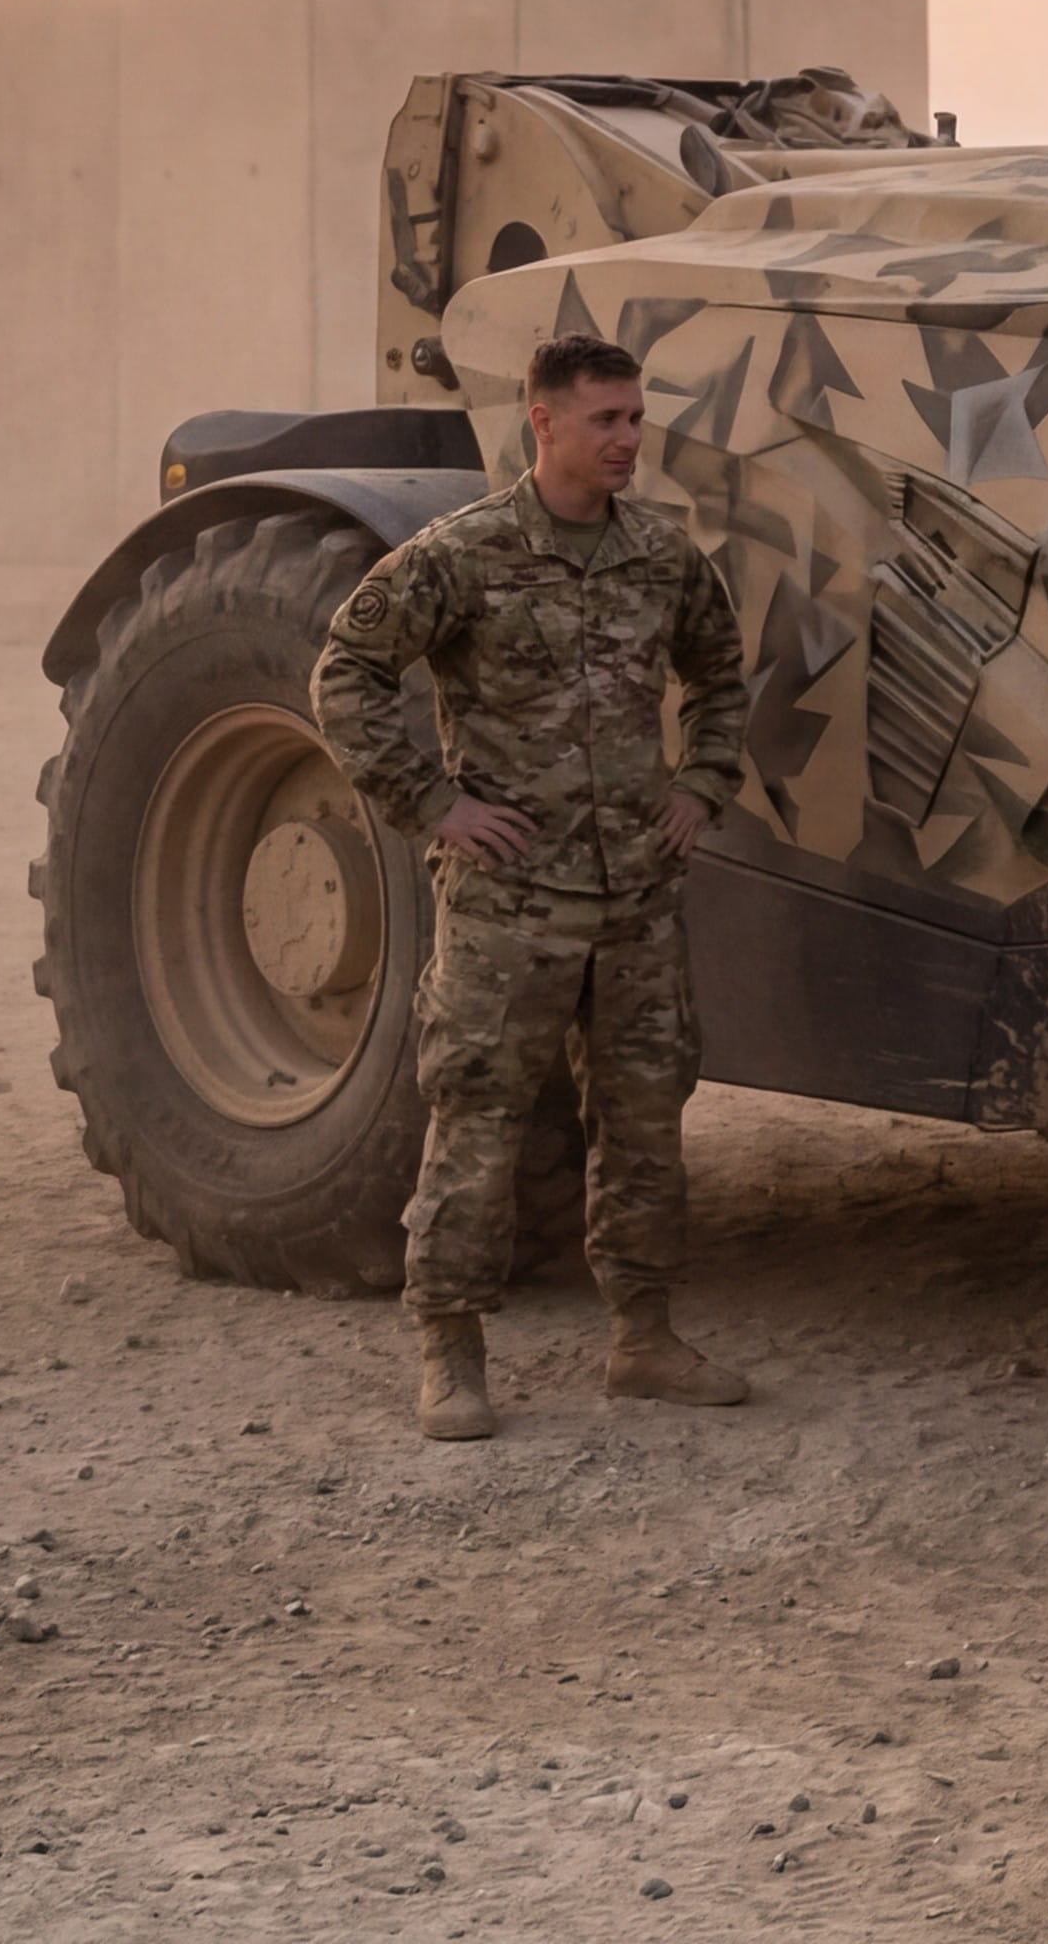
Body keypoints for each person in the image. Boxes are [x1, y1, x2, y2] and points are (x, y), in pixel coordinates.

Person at [312, 331, 756, 1443]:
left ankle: (643, 1338)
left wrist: (701, 784)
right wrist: (432, 803)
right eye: (604, 419)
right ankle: (450, 1348)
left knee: (647, 1119)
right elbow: (348, 672)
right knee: (478, 1117)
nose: (627, 440)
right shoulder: (461, 555)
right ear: (542, 422)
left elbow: (719, 675)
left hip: (637, 901)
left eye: (635, 418)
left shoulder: (661, 558)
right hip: (511, 903)